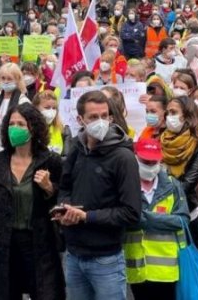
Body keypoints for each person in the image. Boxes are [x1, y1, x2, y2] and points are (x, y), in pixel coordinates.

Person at [55, 91, 141, 300]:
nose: (100, 122)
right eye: (93, 117)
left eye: (105, 116)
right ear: (80, 120)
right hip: (74, 254)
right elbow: (65, 186)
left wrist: (86, 217)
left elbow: (131, 213)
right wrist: (64, 207)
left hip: (106, 259)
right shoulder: (76, 147)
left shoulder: (123, 157)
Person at [0, 103, 65, 299]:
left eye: (21, 124)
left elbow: (63, 200)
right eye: (11, 123)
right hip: (4, 243)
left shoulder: (51, 161)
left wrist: (49, 188)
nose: (15, 128)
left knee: (45, 292)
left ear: (33, 127)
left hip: (38, 243)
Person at [124, 139, 189, 300]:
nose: (150, 166)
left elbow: (181, 221)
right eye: (145, 161)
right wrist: (162, 220)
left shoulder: (172, 185)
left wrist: (143, 218)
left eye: (154, 162)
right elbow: (125, 218)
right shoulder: (125, 184)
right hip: (137, 268)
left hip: (166, 270)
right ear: (135, 157)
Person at [159, 97, 198, 249]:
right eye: (167, 113)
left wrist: (159, 191)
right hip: (159, 212)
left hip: (185, 211)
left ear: (186, 116)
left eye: (174, 112)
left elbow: (188, 183)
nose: (169, 117)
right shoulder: (161, 139)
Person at [0, 63, 31, 146]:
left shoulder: (23, 101)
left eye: (9, 79)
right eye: (3, 78)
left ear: (17, 80)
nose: (5, 81)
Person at [33, 90, 66, 154]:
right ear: (35, 108)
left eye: (54, 108)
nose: (51, 111)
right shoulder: (30, 129)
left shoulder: (61, 129)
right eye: (47, 108)